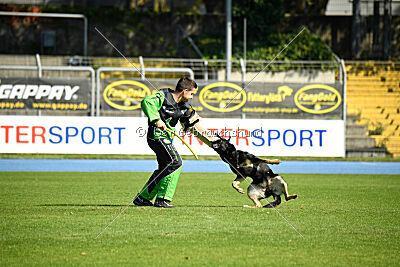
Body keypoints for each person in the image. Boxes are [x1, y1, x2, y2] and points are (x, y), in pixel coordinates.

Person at [133, 77, 198, 208]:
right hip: (156, 136)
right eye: (191, 94)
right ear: (185, 91)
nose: (191, 97)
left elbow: (192, 122)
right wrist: (157, 120)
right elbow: (147, 102)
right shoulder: (163, 96)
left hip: (167, 138)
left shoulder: (184, 106)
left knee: (165, 167)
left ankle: (143, 198)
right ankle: (162, 199)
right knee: (175, 162)